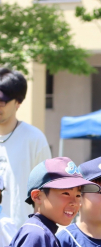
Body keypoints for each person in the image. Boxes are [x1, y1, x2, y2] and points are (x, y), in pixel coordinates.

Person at [0, 68, 52, 228]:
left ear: (18, 102)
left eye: (2, 102)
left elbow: (48, 191)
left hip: (20, 236)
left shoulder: (34, 139)